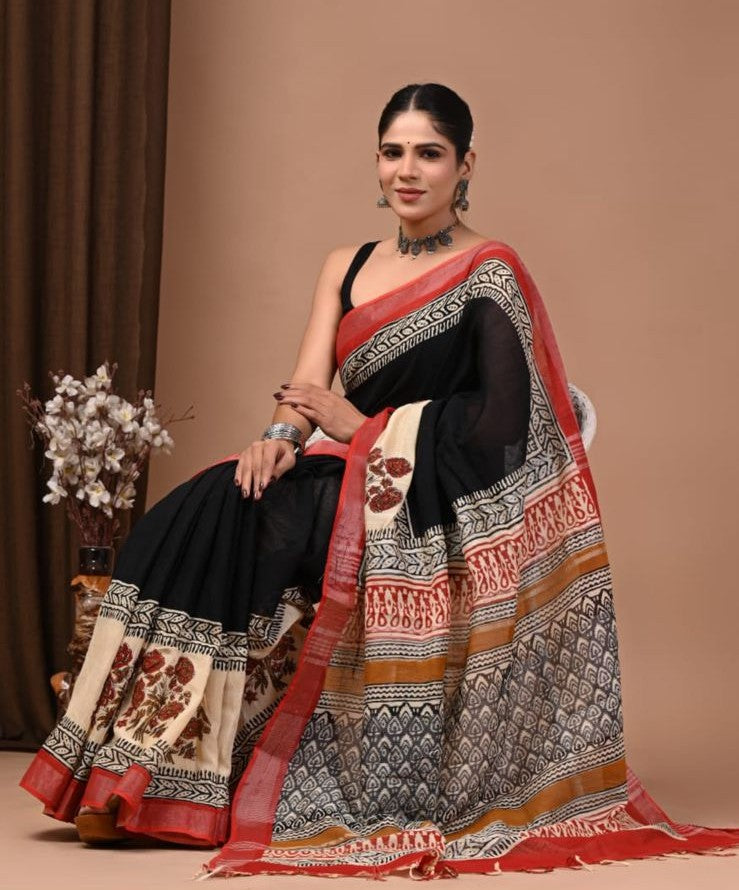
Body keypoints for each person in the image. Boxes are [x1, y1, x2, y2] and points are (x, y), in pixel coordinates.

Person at [20, 83, 739, 878]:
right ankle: (136, 771)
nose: (407, 170)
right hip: (342, 470)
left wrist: (363, 426)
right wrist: (277, 439)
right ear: (376, 161)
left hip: (425, 500)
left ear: (464, 165)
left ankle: (200, 780)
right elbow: (305, 385)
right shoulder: (347, 264)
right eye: (393, 152)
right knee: (206, 506)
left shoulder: (489, 272)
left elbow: (502, 426)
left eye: (428, 153)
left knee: (273, 529)